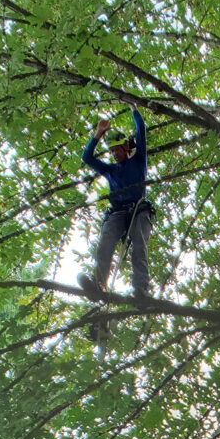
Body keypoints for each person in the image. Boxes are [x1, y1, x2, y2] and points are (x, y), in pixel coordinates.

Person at [79, 102, 154, 301]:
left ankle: (141, 291)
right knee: (104, 244)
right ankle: (97, 285)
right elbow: (87, 157)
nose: (114, 154)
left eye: (117, 150)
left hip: (139, 209)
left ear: (126, 148)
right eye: (111, 151)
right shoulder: (110, 170)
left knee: (139, 246)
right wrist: (98, 134)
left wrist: (134, 108)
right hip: (118, 212)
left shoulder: (138, 162)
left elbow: (141, 132)